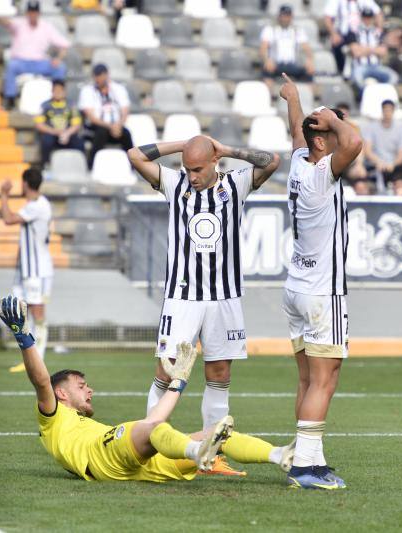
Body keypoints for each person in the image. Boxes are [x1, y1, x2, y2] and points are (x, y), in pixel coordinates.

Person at [0, 294, 296, 483]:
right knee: (152, 428)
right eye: (81, 385)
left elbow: (154, 424)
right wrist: (24, 337)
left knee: (216, 433)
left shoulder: (85, 424)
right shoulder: (52, 418)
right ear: (62, 393)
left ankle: (278, 454)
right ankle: (196, 450)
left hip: (140, 467)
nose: (90, 391)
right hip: (99, 457)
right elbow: (40, 380)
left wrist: (178, 383)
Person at [127, 135, 279, 476]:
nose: (192, 175)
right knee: (166, 370)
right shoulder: (174, 183)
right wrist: (181, 144)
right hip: (182, 296)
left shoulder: (237, 184)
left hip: (223, 297)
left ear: (214, 162)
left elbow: (271, 161)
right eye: (188, 168)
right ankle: (149, 445)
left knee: (219, 373)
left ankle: (213, 452)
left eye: (198, 168)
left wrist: (228, 149)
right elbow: (134, 156)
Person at [280, 73, 363, 489]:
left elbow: (298, 134)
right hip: (321, 291)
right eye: (329, 132)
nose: (336, 136)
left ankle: (306, 455)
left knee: (307, 379)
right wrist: (329, 118)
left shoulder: (299, 163)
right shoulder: (321, 173)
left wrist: (294, 99)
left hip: (296, 286)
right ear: (322, 142)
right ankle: (305, 469)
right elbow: (355, 143)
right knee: (325, 380)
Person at [0, 168, 54, 373]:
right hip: (27, 269)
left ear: (26, 184)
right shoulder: (34, 205)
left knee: (37, 313)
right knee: (21, 311)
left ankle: (38, 359)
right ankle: (29, 356)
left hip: (37, 269)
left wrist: (4, 195)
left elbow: (9, 219)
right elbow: (10, 217)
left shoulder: (38, 206)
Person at [0, 1, 70, 110]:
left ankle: (57, 97)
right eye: (31, 12)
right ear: (27, 13)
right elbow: (8, 23)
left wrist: (58, 58)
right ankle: (10, 99)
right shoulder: (20, 24)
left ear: (38, 13)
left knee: (60, 67)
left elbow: (65, 45)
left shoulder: (46, 27)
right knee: (12, 66)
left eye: (35, 12)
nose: (33, 15)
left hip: (40, 63)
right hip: (21, 62)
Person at [78, 64, 133, 168]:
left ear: (106, 75)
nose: (98, 78)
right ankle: (92, 165)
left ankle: (133, 165)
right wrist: (110, 126)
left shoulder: (118, 89)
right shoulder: (87, 91)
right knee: (101, 133)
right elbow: (91, 117)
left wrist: (119, 125)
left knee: (126, 134)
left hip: (117, 126)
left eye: (100, 75)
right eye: (96, 75)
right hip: (96, 127)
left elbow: (125, 110)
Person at [323, 0, 383, 75]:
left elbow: (378, 13)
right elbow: (327, 18)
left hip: (362, 32)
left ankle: (372, 66)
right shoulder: (336, 1)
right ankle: (341, 71)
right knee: (337, 45)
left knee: (374, 41)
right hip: (343, 34)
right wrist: (333, 34)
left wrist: (379, 29)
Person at [35, 80, 85, 167]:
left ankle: (80, 166)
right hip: (51, 134)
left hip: (68, 134)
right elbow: (39, 125)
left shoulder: (72, 105)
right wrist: (56, 132)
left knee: (79, 143)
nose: (58, 93)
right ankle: (45, 166)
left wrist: (67, 133)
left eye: (60, 90)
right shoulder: (45, 105)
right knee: (46, 141)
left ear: (64, 91)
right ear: (52, 91)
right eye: (55, 91)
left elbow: (76, 124)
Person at [362, 100, 402, 191]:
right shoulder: (371, 127)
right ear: (382, 111)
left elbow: (401, 154)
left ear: (393, 111)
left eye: (390, 110)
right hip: (375, 164)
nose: (387, 113)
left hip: (394, 165)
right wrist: (379, 162)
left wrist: (392, 165)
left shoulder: (401, 128)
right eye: (385, 110)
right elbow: (367, 151)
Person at [260, 5, 314, 84]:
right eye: (283, 15)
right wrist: (267, 60)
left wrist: (310, 60)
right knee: (267, 71)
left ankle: (306, 94)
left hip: (292, 65)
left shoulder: (297, 30)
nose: (285, 18)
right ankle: (269, 94)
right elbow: (263, 48)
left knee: (309, 72)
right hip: (275, 65)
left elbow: (307, 48)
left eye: (288, 16)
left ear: (291, 17)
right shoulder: (270, 29)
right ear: (279, 16)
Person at [348, 8, 399, 90]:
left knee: (393, 77)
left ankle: (383, 95)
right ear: (362, 18)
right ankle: (366, 95)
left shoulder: (378, 33)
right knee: (357, 78)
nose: (367, 20)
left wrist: (363, 49)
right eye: (365, 18)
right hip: (361, 66)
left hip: (377, 66)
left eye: (369, 18)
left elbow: (383, 52)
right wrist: (375, 49)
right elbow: (356, 52)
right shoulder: (354, 33)